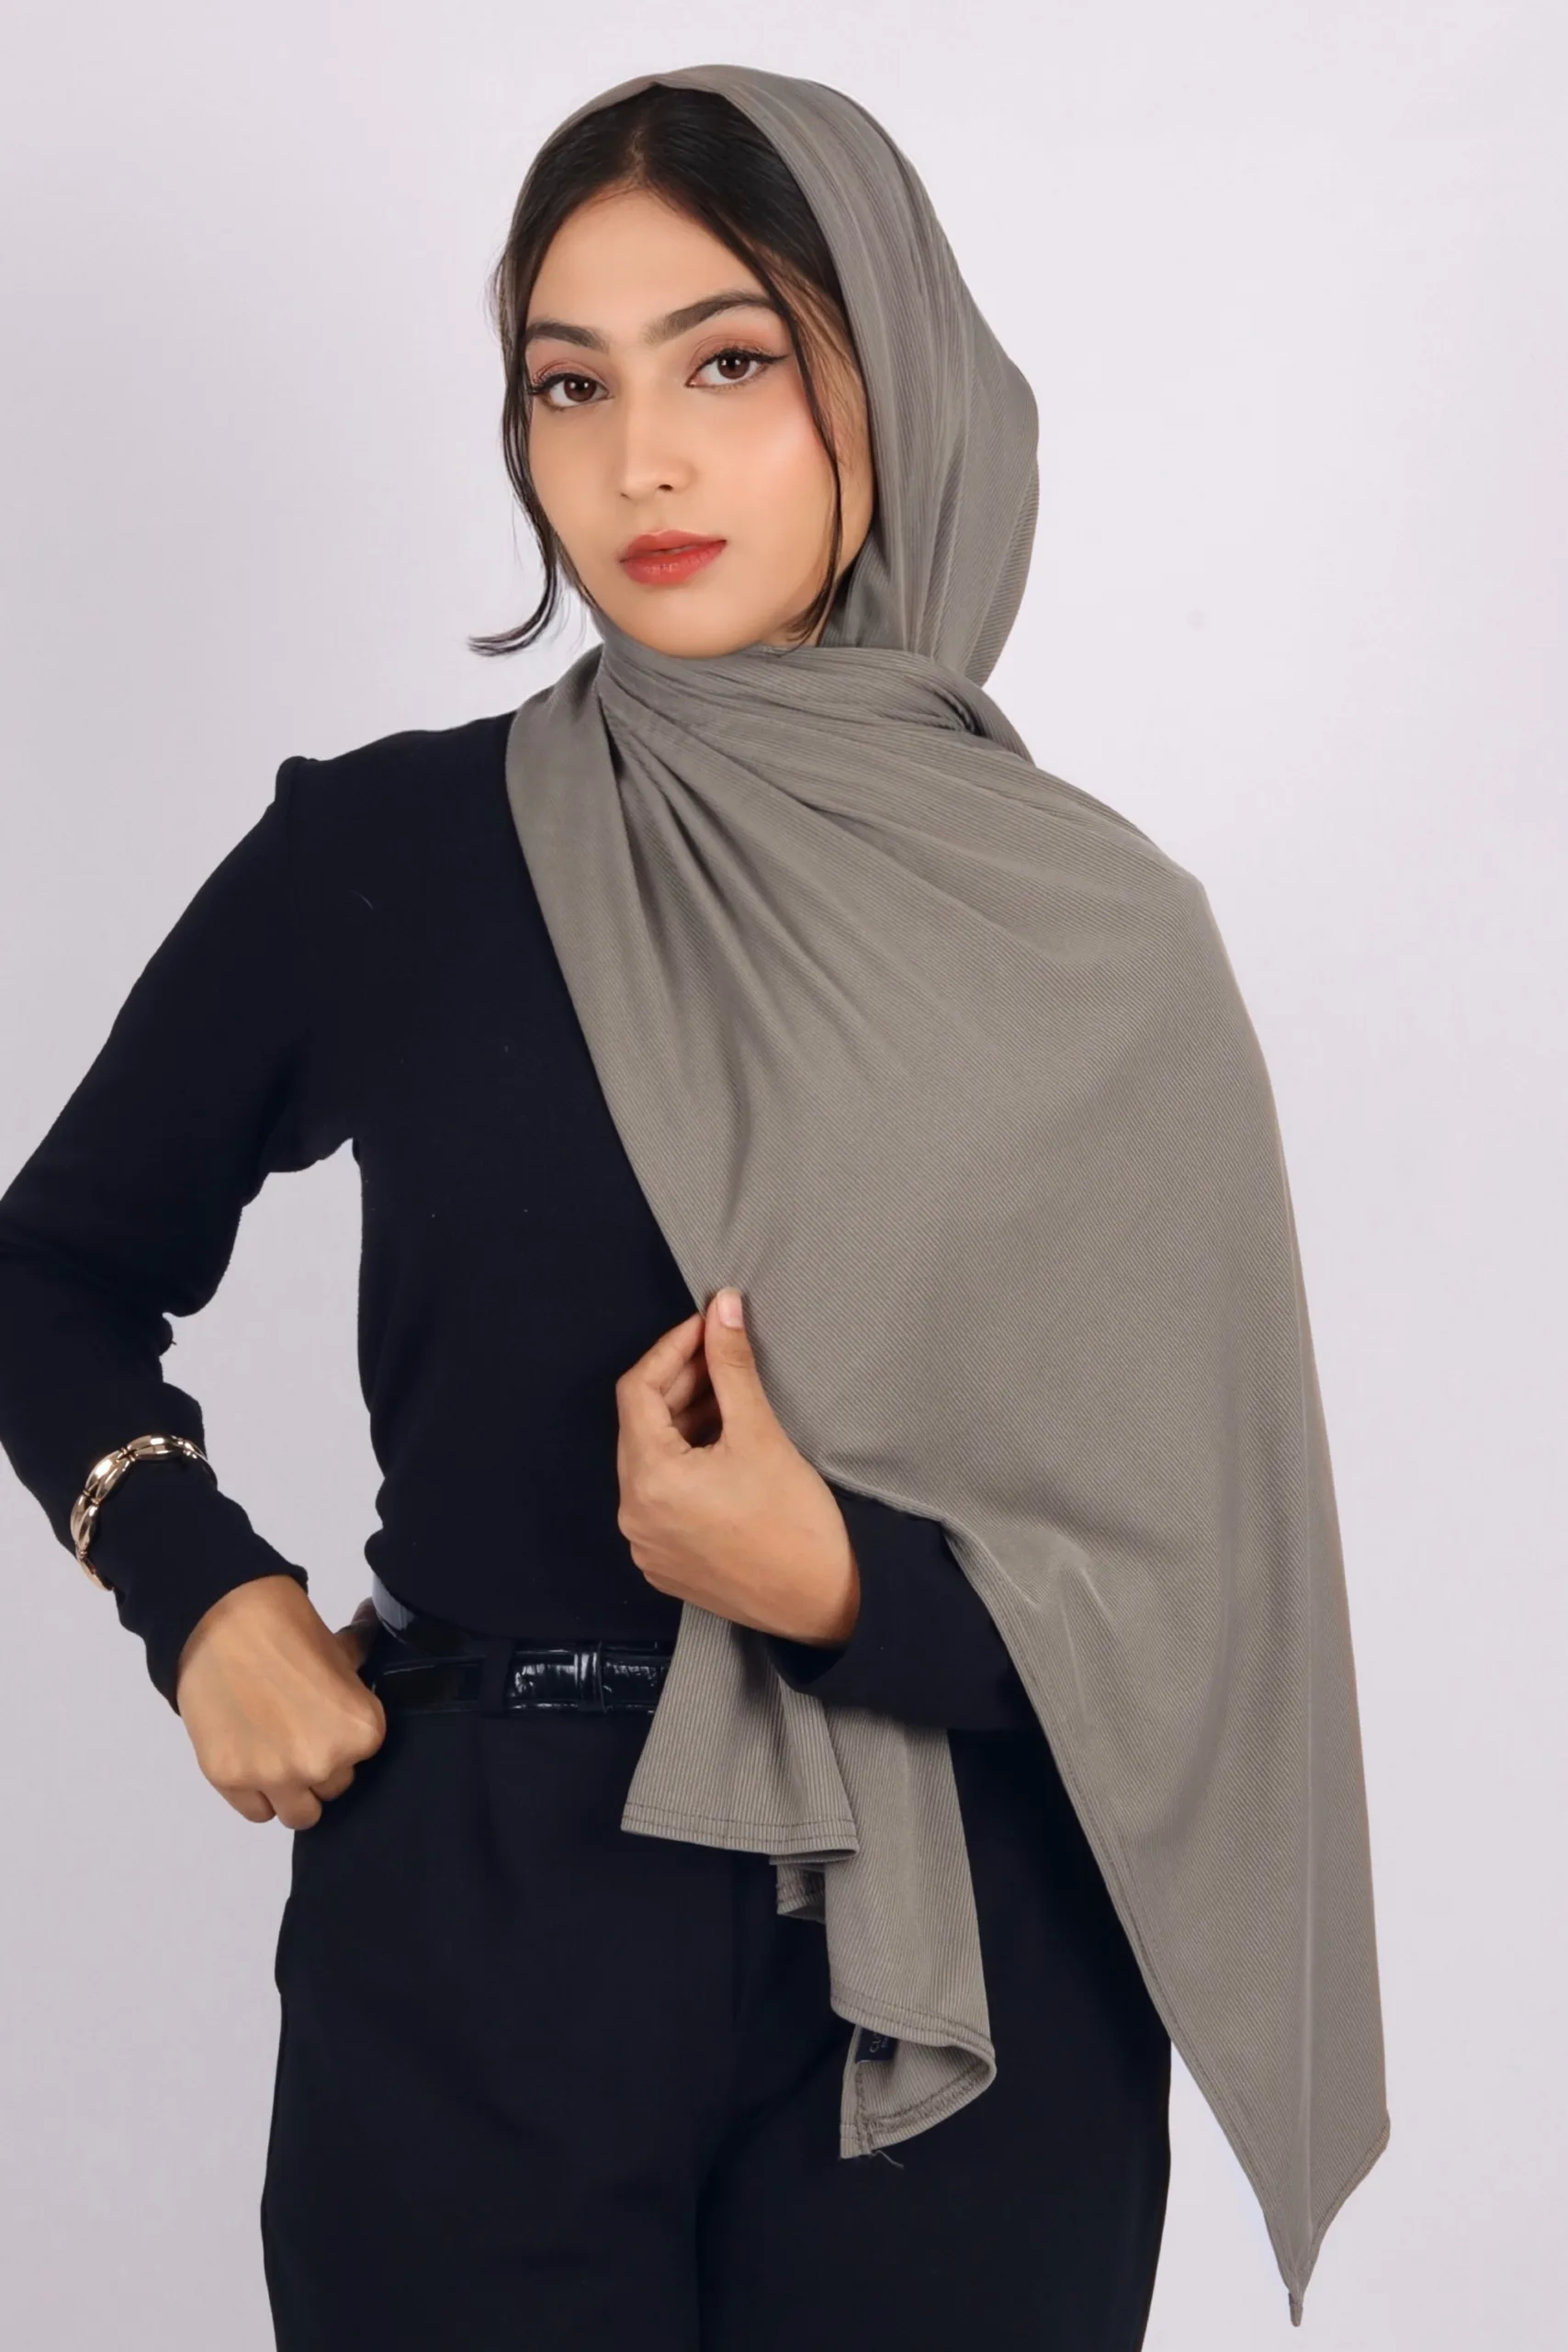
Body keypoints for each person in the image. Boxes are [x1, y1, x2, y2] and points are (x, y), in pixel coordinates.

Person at [0, 62, 1382, 2352]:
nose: (638, 457)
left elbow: (1207, 1615)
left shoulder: (1098, 941)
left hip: (968, 1990)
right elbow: (49, 1270)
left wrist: (837, 1578)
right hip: (485, 1928)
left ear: (891, 381)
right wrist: (192, 1578)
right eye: (571, 383)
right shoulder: (395, 857)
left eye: (728, 363)